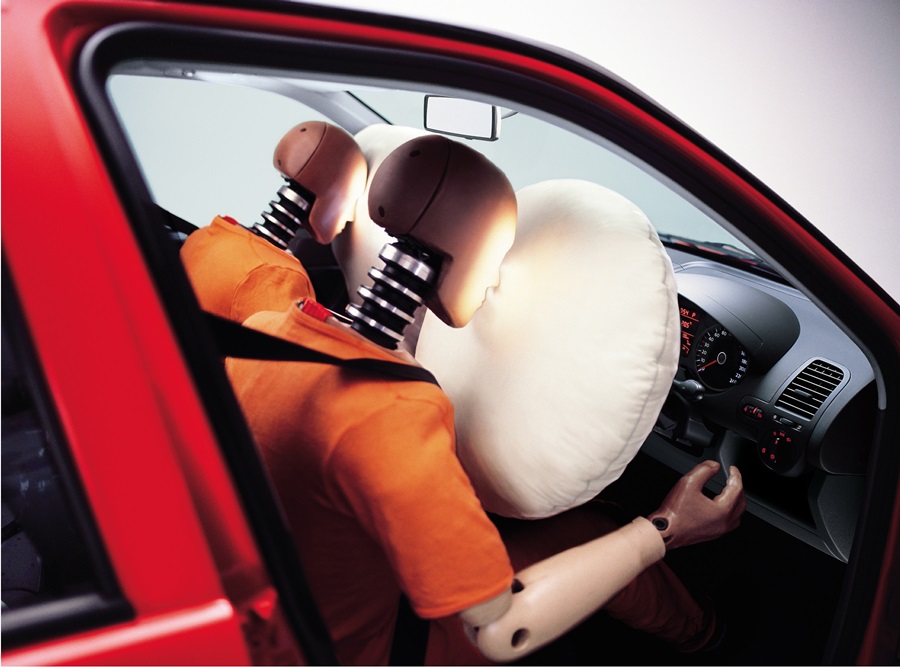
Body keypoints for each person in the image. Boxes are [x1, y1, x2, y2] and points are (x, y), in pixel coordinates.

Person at [226, 134, 745, 665]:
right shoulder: (393, 412)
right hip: (378, 650)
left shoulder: (258, 330)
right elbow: (501, 626)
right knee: (596, 534)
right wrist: (665, 527)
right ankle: (708, 637)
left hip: (258, 624)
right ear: (471, 259)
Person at [180, 120, 367, 322]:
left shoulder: (205, 236)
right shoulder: (278, 276)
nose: (350, 216)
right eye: (352, 200)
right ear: (333, 192)